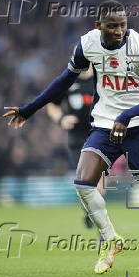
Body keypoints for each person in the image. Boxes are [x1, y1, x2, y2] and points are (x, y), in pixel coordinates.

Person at [3, 0, 139, 275]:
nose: (118, 31)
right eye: (112, 26)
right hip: (104, 123)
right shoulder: (87, 43)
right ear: (98, 26)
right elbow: (64, 80)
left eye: (122, 25)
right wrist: (30, 109)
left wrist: (126, 116)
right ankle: (111, 238)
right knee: (83, 183)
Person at [46, 64, 96, 229]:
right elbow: (52, 105)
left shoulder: (101, 77)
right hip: (78, 139)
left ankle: (102, 234)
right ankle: (88, 209)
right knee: (86, 182)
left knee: (99, 185)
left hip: (100, 134)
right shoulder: (67, 80)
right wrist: (61, 119)